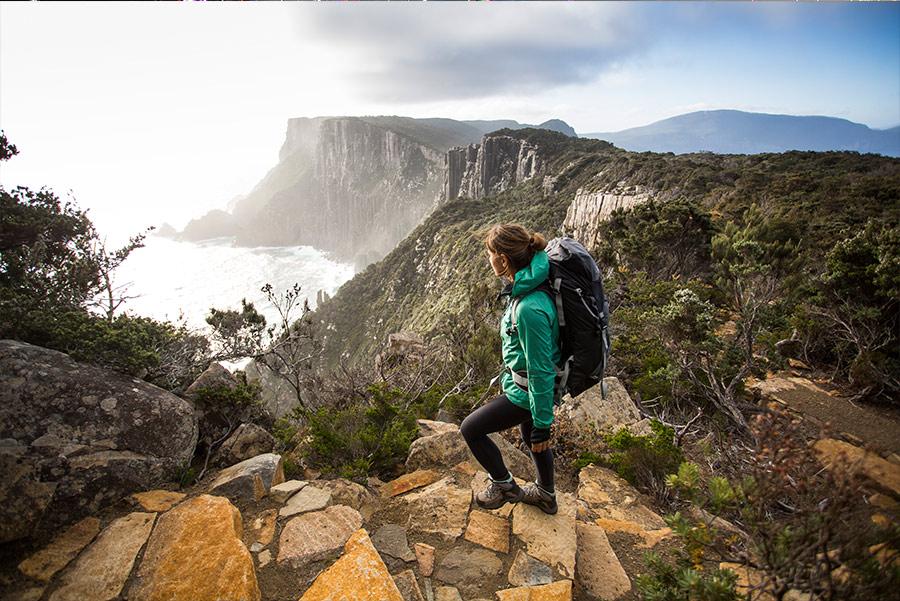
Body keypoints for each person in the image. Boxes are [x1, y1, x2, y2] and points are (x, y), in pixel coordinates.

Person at [460, 223, 560, 515]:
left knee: (471, 429)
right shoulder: (528, 283)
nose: (487, 259)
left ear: (503, 259)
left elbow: (541, 370)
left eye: (489, 254)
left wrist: (543, 421)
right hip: (525, 387)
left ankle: (504, 485)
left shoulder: (530, 308)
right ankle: (546, 494)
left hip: (530, 391)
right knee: (531, 437)